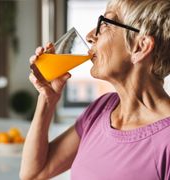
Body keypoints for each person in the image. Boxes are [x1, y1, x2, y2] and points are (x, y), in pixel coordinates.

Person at [20, 0, 170, 179]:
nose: (90, 35)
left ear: (141, 46)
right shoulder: (101, 109)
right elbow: (34, 172)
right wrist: (47, 99)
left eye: (105, 24)